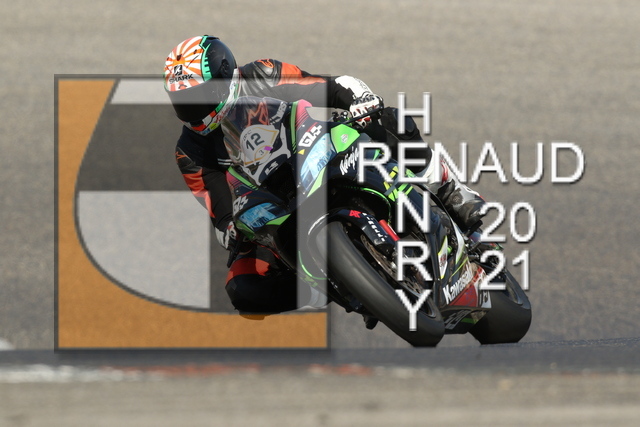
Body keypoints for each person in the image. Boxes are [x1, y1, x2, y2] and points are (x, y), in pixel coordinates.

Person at [164, 35, 485, 316]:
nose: (192, 107)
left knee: (389, 121)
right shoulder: (190, 151)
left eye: (198, 95)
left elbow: (328, 86)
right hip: (273, 201)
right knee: (242, 284)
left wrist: (360, 102)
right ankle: (341, 284)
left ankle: (449, 189)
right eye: (182, 100)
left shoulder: (262, 74)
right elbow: (219, 210)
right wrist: (233, 231)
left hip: (314, 151)